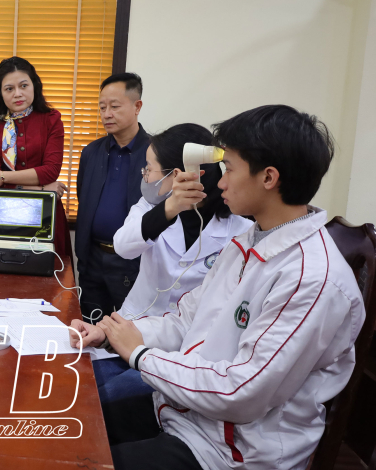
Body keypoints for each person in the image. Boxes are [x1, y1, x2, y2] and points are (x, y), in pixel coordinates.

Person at [70, 105, 364, 470]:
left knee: (78, 460)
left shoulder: (312, 278)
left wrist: (140, 355)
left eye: (231, 169)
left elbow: (242, 391)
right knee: (71, 423)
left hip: (232, 451)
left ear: (268, 177)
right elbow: (184, 321)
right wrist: (111, 334)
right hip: (185, 413)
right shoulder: (246, 244)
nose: (220, 182)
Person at [91, 123, 253, 404]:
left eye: (149, 168)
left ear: (177, 174)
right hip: (132, 328)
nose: (145, 174)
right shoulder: (150, 207)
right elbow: (123, 246)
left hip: (184, 350)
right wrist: (169, 209)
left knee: (107, 397)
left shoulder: (239, 231)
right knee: (86, 381)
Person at [0, 56, 73, 256]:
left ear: (34, 86)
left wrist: (3, 177)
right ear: (0, 93)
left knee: (48, 271)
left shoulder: (52, 119)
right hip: (4, 216)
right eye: (9, 89)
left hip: (46, 215)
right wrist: (42, 188)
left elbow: (51, 171)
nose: (17, 94)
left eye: (23, 85)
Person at [76, 73, 150, 323]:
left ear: (137, 106)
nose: (107, 114)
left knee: (130, 331)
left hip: (134, 262)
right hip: (94, 259)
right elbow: (84, 198)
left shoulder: (154, 154)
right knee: (91, 329)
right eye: (102, 107)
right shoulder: (91, 152)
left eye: (115, 106)